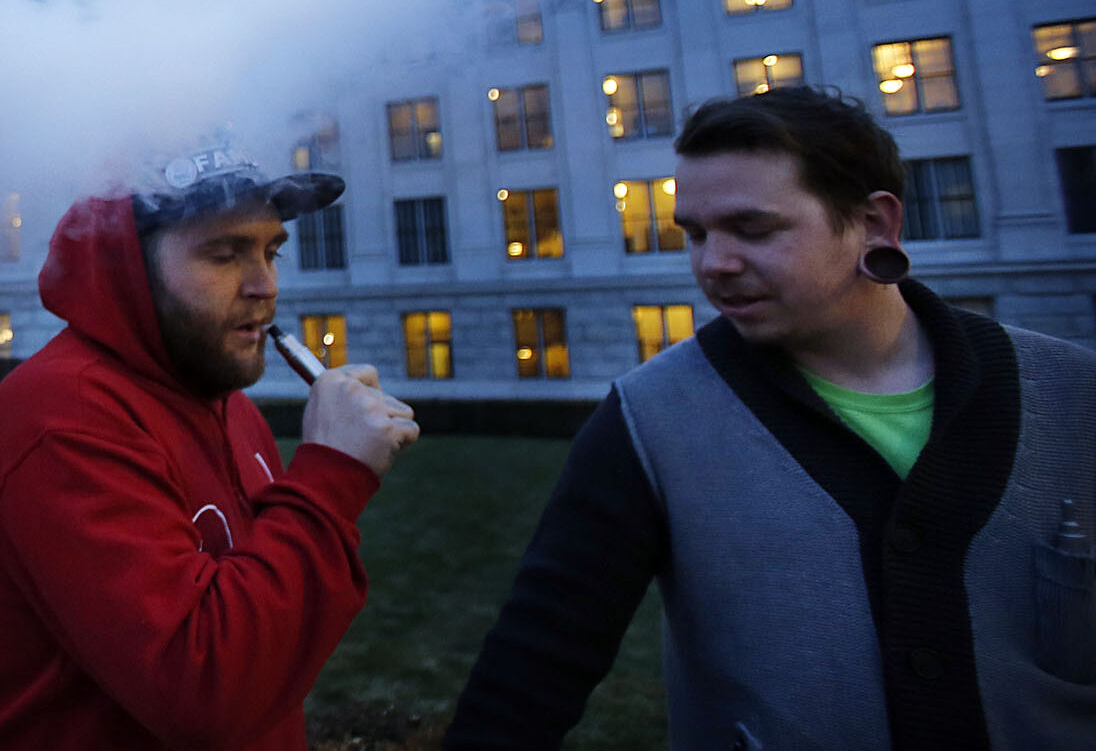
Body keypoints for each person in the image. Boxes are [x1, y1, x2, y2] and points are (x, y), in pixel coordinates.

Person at [446, 86, 1096, 751]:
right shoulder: (651, 420)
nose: (713, 265)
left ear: (875, 225)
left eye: (752, 230)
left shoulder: (1076, 395)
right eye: (694, 234)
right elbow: (529, 676)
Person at [0, 149, 423, 750]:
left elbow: (269, 643)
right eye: (224, 254)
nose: (265, 286)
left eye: (270, 251)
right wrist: (331, 478)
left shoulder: (228, 404)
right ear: (127, 263)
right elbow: (206, 689)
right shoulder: (62, 416)